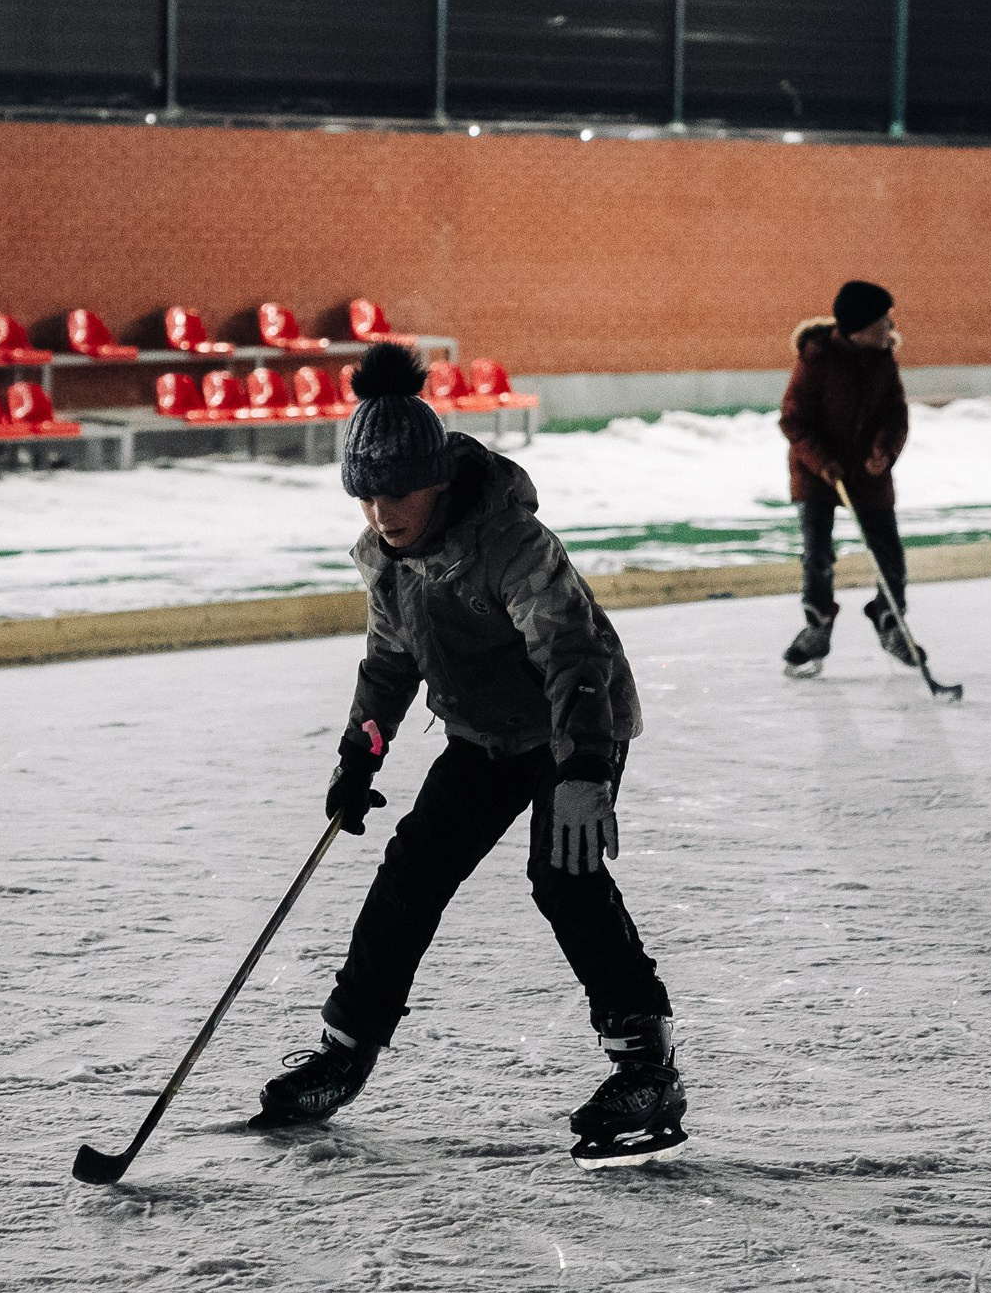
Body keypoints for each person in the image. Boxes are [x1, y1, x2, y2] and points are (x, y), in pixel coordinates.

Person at [255, 342, 687, 1167]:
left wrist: (587, 775)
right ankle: (345, 1051)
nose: (383, 510)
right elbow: (389, 662)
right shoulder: (386, 558)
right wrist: (361, 754)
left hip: (573, 727)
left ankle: (645, 1067)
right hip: (486, 737)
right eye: (367, 493)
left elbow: (573, 656)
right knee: (413, 868)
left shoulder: (510, 543)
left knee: (565, 876)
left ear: (439, 479)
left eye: (398, 490)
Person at [777, 279, 921, 677]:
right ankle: (817, 626)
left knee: (888, 553)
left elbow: (896, 416)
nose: (890, 328)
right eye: (883, 322)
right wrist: (823, 463)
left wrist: (885, 452)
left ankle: (890, 620)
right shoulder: (817, 358)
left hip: (868, 471)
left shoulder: (883, 360)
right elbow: (793, 420)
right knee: (818, 556)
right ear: (859, 326)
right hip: (818, 472)